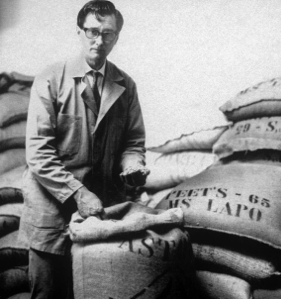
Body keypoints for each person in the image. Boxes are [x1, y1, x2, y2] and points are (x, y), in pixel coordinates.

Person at [18, 1, 149, 298]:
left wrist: (132, 165)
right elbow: (38, 151)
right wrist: (78, 192)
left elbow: (133, 141)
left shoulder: (126, 85)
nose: (99, 41)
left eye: (108, 34)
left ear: (117, 37)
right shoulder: (50, 79)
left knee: (96, 292)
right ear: (79, 32)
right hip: (51, 210)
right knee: (48, 293)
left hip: (99, 213)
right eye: (92, 31)